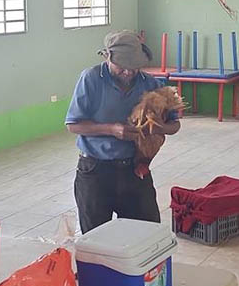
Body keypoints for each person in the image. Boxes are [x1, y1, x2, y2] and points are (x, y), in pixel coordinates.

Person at [65, 31, 181, 233]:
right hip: (95, 171)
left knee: (146, 233)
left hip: (135, 169)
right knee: (97, 237)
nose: (128, 72)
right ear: (107, 57)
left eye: (134, 67)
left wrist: (157, 128)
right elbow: (73, 124)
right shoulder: (91, 79)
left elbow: (174, 125)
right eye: (122, 66)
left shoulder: (150, 83)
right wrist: (112, 130)